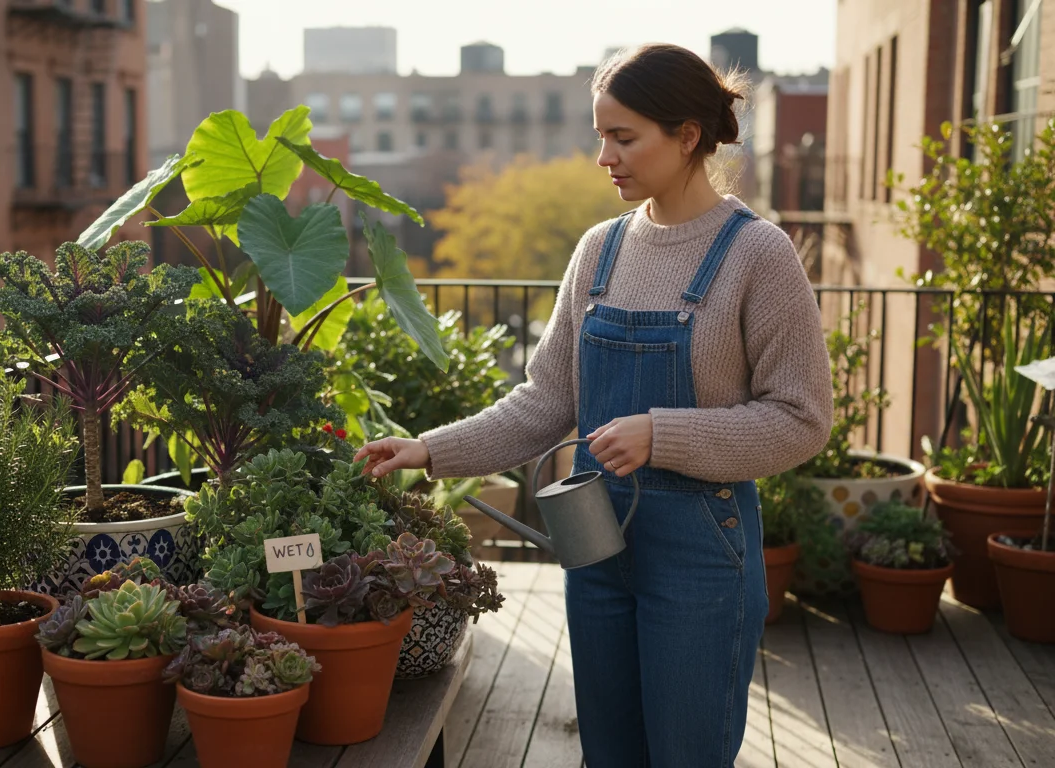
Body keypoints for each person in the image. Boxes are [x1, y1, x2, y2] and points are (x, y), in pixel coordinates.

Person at [354, 43, 833, 767]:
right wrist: (429, 449)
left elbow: (802, 420)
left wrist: (658, 433)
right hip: (596, 547)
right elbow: (547, 400)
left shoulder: (758, 256)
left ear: (687, 136)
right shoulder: (599, 252)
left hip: (701, 556)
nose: (604, 155)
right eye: (600, 135)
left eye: (624, 137)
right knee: (608, 754)